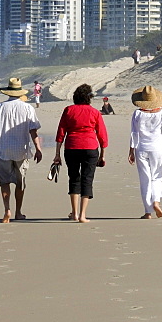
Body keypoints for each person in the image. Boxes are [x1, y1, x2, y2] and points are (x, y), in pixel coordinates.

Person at [0, 78, 43, 223]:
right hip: (21, 150)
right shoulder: (27, 108)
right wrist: (38, 148)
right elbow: (33, 131)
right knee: (20, 182)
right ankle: (18, 212)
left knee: (5, 182)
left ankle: (7, 210)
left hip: (3, 150)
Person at [53, 83, 108, 223]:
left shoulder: (68, 110)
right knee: (87, 179)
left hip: (71, 147)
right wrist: (103, 154)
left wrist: (57, 154)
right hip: (90, 147)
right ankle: (83, 215)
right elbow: (102, 135)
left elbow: (61, 132)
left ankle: (75, 213)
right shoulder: (94, 112)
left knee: (73, 178)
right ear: (88, 97)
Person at [127, 85, 162, 219]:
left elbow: (134, 133)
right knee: (157, 177)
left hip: (141, 149)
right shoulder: (161, 114)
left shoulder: (137, 114)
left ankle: (148, 212)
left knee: (145, 179)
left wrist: (131, 151)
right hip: (158, 149)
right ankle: (156, 202)